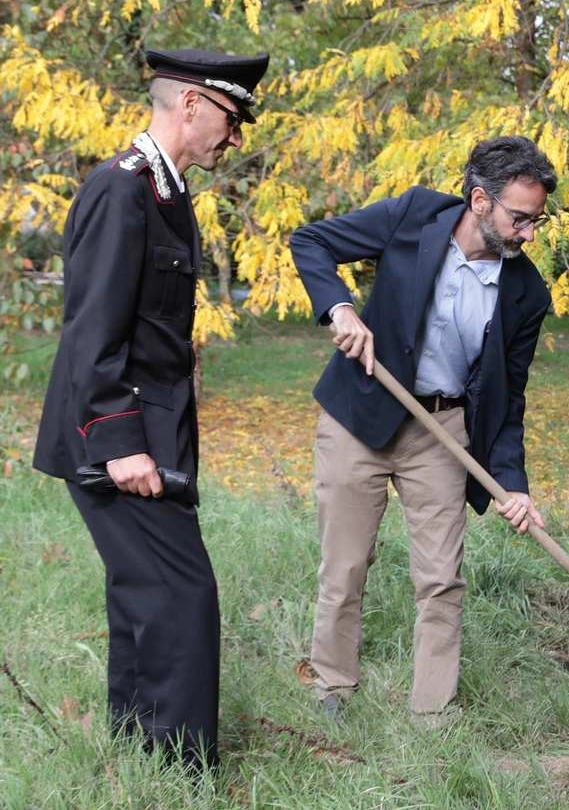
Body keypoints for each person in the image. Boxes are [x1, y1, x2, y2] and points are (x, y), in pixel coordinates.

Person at [33, 48, 270, 769]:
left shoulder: (163, 193)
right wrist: (120, 442)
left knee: (146, 593)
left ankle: (139, 755)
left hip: (148, 435)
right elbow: (93, 331)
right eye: (231, 120)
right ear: (192, 103)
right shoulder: (123, 190)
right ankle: (178, 769)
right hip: (119, 439)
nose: (234, 140)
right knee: (180, 596)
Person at [292, 136, 556, 725]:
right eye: (520, 218)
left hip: (441, 431)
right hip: (359, 416)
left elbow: (508, 400)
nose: (529, 234)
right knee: (346, 564)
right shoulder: (414, 214)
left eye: (537, 222)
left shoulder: (525, 292)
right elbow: (311, 241)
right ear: (480, 200)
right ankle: (332, 686)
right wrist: (339, 309)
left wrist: (512, 484)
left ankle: (431, 714)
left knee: (441, 578)